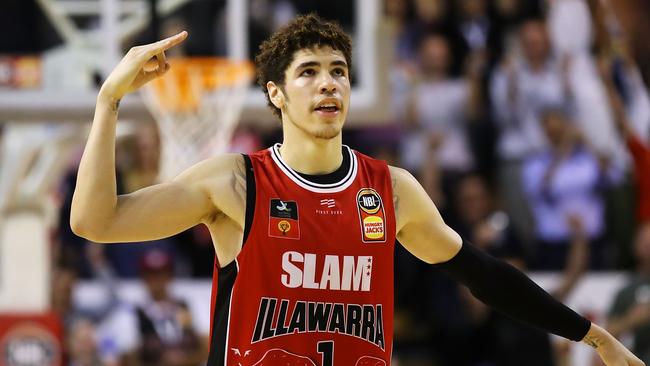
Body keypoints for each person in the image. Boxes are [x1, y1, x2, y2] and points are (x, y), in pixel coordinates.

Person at [70, 14, 643, 366]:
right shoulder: (234, 182)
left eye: (338, 70)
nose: (328, 83)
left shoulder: (390, 189)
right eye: (309, 72)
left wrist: (593, 336)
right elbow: (95, 222)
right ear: (275, 94)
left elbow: (486, 276)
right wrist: (108, 101)